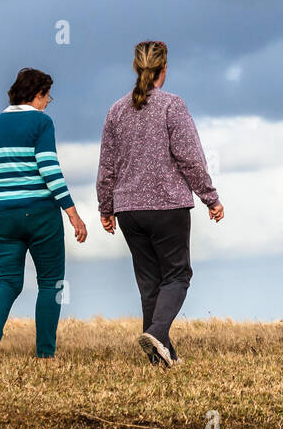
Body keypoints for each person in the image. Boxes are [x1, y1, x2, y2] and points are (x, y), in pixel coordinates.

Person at [96, 40, 224, 368]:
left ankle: (162, 357)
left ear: (137, 69)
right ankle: (156, 331)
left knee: (149, 282)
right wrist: (210, 197)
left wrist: (105, 207)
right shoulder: (172, 105)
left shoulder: (116, 111)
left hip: (129, 211)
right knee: (178, 275)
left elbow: (107, 166)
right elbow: (191, 158)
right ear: (163, 70)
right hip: (168, 206)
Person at [0, 68, 88, 361]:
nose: (49, 101)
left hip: (0, 213)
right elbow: (49, 170)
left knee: (6, 280)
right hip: (40, 213)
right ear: (36, 94)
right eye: (47, 95)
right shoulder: (41, 122)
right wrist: (72, 213)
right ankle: (45, 354)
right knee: (51, 283)